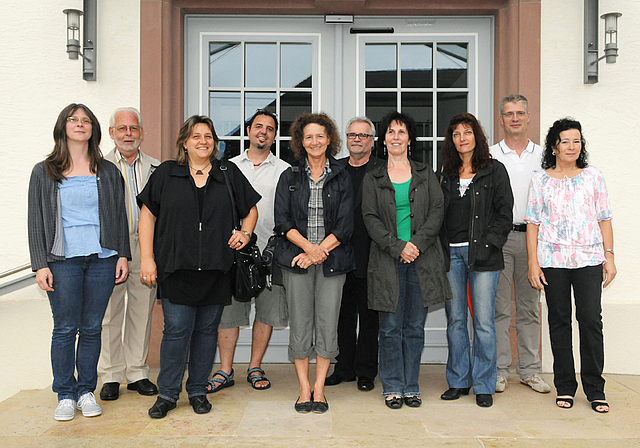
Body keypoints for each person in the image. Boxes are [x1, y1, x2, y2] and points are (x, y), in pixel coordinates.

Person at [138, 115, 260, 419]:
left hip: (217, 270)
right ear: (184, 142)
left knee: (206, 332)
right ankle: (167, 393)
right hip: (176, 269)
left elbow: (251, 210)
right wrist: (147, 259)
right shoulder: (167, 173)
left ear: (215, 142)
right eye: (196, 136)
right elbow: (147, 217)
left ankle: (196, 391)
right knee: (177, 331)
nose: (203, 141)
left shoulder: (227, 172)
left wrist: (244, 234)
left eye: (208, 136)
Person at [28, 103, 131, 421]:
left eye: (86, 120)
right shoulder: (44, 171)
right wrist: (40, 263)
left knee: (91, 329)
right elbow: (35, 220)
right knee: (64, 329)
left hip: (102, 259)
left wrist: (123, 254)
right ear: (63, 127)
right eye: (74, 119)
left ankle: (86, 390)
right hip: (62, 262)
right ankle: (65, 393)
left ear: (94, 129)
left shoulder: (109, 171)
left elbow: (119, 216)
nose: (80, 124)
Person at [525, 118, 615, 414]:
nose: (572, 146)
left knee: (590, 320)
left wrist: (610, 256)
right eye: (565, 141)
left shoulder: (593, 176)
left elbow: (604, 218)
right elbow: (533, 225)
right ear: (554, 146)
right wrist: (533, 263)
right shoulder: (540, 179)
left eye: (577, 141)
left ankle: (595, 388)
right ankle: (565, 386)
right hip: (553, 261)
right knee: (559, 322)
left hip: (589, 259)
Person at [362, 111, 450, 409]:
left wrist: (416, 245)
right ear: (383, 140)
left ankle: (411, 385)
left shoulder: (426, 173)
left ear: (409, 139)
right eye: (390, 132)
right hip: (388, 260)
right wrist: (398, 246)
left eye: (401, 132)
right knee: (389, 328)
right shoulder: (372, 177)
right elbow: (370, 218)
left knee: (413, 327)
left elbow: (437, 212)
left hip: (422, 260)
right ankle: (392, 386)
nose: (396, 137)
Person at [274, 112, 355, 414]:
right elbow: (281, 221)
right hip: (298, 259)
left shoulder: (341, 175)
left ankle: (319, 388)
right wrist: (309, 249)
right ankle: (303, 389)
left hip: (332, 261)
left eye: (320, 136)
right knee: (300, 324)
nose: (315, 141)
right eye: (308, 136)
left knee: (326, 324)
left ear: (330, 139)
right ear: (301, 141)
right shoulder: (289, 175)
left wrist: (319, 251)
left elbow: (346, 225)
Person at [207, 109, 289, 393]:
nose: (263, 132)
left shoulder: (284, 170)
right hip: (233, 254)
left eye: (269, 128)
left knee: (266, 313)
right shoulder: (226, 167)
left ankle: (255, 366)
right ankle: (226, 370)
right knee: (229, 314)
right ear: (249, 131)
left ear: (275, 135)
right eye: (258, 126)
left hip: (270, 253)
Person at [438, 113, 513, 408]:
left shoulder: (494, 171)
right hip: (451, 256)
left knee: (483, 322)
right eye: (456, 134)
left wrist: (489, 246)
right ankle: (458, 380)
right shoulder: (446, 172)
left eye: (467, 132)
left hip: (483, 257)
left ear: (476, 136)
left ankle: (484, 383)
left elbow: (504, 215)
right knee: (455, 320)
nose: (462, 138)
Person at [489, 94, 550, 394]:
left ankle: (529, 370)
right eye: (508, 113)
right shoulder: (488, 156)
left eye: (520, 113)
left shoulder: (544, 157)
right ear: (501, 119)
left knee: (529, 308)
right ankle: (500, 370)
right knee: (498, 308)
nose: (514, 118)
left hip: (533, 240)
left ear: (528, 117)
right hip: (499, 239)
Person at [98, 107, 160, 401]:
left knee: (141, 311)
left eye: (133, 129)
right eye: (121, 129)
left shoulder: (157, 168)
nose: (128, 134)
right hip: (110, 248)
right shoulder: (98, 166)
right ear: (111, 133)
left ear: (142, 133)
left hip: (147, 248)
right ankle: (110, 375)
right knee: (109, 313)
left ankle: (137, 372)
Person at [325, 116, 382, 392]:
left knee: (370, 318)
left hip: (373, 255)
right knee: (342, 316)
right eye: (352, 135)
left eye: (363, 135)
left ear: (372, 141)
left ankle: (366, 371)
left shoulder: (382, 170)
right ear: (346, 140)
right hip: (338, 254)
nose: (357, 139)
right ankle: (343, 367)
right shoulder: (335, 170)